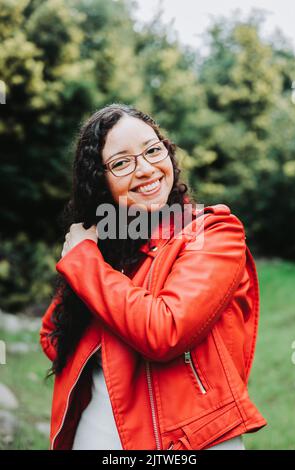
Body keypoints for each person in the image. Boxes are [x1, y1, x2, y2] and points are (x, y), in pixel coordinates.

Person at [40, 103, 267, 450]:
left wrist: (84, 262)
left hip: (189, 442)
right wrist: (93, 258)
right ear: (100, 181)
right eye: (121, 162)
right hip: (96, 434)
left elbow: (165, 331)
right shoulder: (102, 246)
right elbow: (55, 338)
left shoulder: (213, 232)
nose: (146, 169)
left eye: (152, 150)